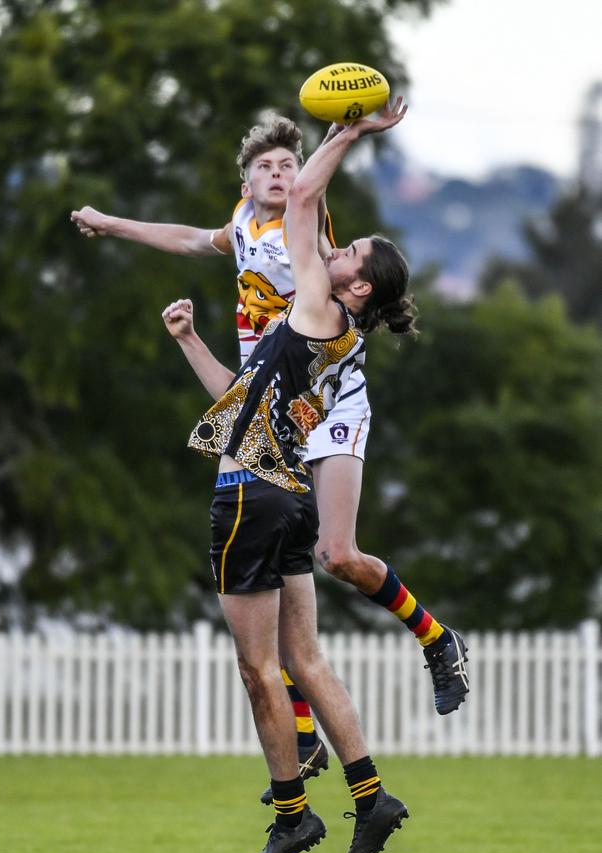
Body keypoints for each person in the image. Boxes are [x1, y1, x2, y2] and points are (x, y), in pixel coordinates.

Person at [71, 110, 469, 793]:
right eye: (267, 166)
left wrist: (346, 133)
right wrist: (110, 223)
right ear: (247, 180)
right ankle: (308, 736)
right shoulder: (243, 225)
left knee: (337, 554)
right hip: (270, 404)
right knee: (276, 555)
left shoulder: (310, 233)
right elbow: (189, 238)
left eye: (290, 163)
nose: (281, 172)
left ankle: (435, 637)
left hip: (330, 397)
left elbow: (313, 192)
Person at [163, 101, 411, 853]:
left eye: (352, 254)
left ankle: (294, 816)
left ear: (358, 289)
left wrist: (348, 132)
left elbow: (302, 198)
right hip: (288, 491)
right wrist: (191, 340)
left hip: (252, 491)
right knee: (305, 658)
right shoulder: (314, 325)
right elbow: (238, 398)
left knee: (257, 666)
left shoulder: (316, 302)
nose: (336, 252)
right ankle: (372, 797)